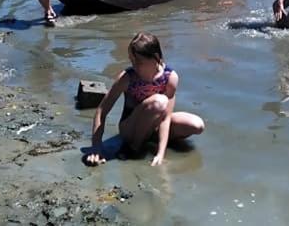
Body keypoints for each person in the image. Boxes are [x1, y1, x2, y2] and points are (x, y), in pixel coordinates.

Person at [83, 32, 204, 167]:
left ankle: (152, 142)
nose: (134, 65)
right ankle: (133, 148)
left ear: (156, 57)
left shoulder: (170, 77)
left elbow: (166, 118)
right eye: (132, 61)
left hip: (155, 126)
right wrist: (96, 147)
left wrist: (160, 154)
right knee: (159, 102)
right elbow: (102, 110)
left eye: (139, 62)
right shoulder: (127, 78)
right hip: (129, 129)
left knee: (196, 125)